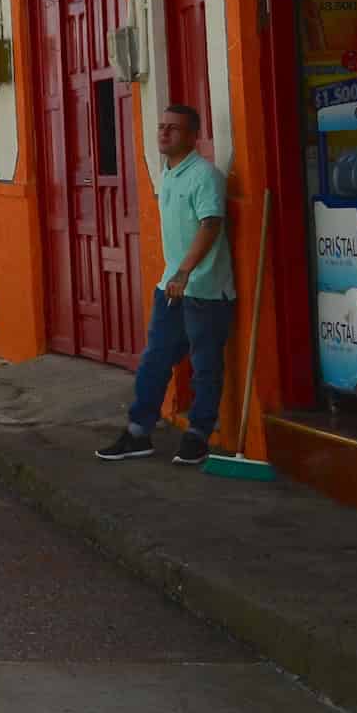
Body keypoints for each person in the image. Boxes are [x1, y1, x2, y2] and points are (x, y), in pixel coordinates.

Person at [97, 105, 236, 466]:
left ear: (192, 136)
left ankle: (198, 436)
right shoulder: (169, 175)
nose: (163, 133)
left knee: (205, 366)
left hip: (204, 289)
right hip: (171, 287)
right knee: (155, 360)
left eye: (173, 129)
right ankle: (138, 432)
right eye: (161, 127)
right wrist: (173, 276)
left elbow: (210, 224)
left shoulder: (204, 176)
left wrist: (185, 271)